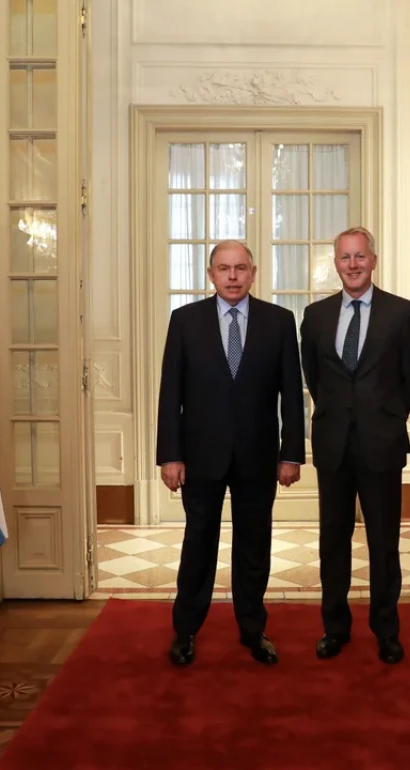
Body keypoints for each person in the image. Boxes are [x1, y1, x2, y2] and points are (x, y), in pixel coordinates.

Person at [156, 240, 306, 667]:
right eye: (224, 268)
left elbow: (291, 395)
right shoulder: (184, 321)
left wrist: (291, 453)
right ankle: (185, 631)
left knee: (254, 546)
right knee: (198, 544)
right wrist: (170, 454)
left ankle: (253, 630)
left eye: (241, 268)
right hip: (199, 458)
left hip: (259, 458)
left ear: (253, 273)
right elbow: (171, 393)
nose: (233, 276)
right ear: (211, 274)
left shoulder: (279, 322)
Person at [300, 226, 410, 665]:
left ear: (373, 260)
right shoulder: (315, 317)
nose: (352, 265)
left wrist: (387, 416)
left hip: (382, 445)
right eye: (344, 258)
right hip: (333, 445)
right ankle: (335, 629)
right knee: (333, 541)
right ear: (335, 264)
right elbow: (313, 377)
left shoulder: (400, 313)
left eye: (359, 257)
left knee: (384, 543)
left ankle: (386, 630)